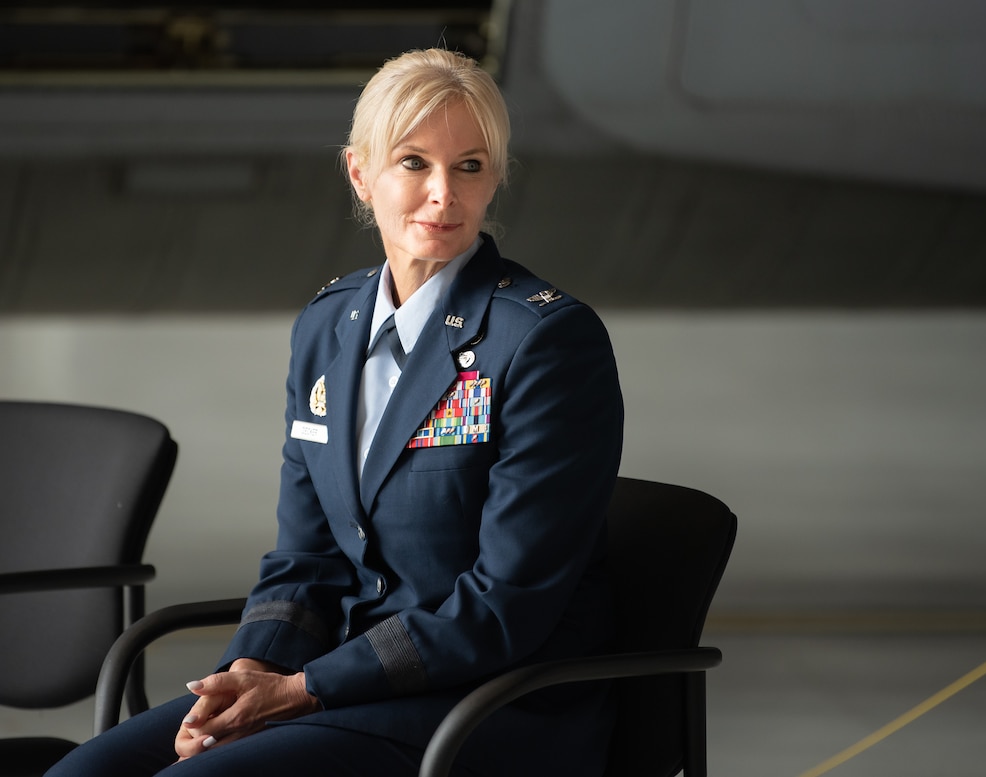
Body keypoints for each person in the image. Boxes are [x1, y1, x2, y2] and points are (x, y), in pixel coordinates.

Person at [47, 48, 624, 777]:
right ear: (360, 173)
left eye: (470, 166)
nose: (443, 194)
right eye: (413, 162)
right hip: (340, 680)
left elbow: (503, 606)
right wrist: (247, 673)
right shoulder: (329, 325)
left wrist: (299, 690)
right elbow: (306, 556)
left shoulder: (541, 340)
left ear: (496, 176)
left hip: (487, 702)